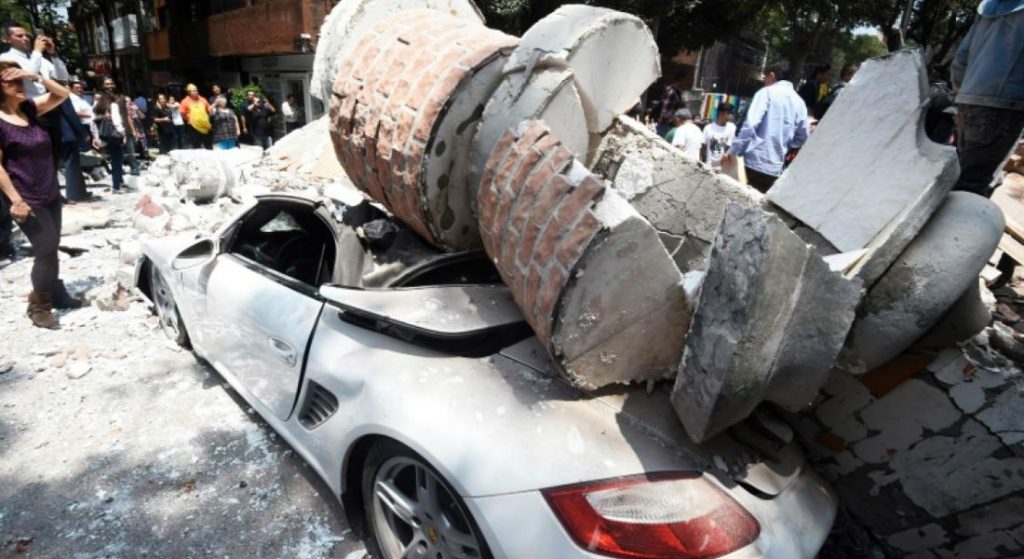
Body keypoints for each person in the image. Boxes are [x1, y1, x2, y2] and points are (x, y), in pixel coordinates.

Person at [0, 60, 84, 328]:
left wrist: (34, 75)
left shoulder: (30, 110)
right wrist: (16, 200)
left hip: (48, 190)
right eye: (11, 81)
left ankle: (57, 293)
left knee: (52, 245)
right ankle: (38, 307)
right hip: (25, 196)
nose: (19, 84)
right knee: (45, 248)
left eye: (19, 79)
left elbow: (62, 94)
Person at [951, 0, 1024, 197]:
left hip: (968, 100)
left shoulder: (987, 8)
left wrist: (965, 93)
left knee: (959, 173)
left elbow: (960, 60)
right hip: (1004, 107)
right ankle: (957, 227)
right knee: (972, 185)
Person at [724, 65, 810, 193]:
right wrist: (785, 143)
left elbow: (750, 125)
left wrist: (732, 152)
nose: (764, 81)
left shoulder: (766, 92)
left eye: (765, 78)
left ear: (772, 75)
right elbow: (803, 137)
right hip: (774, 170)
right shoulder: (800, 103)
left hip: (751, 162)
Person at [91, 92, 130, 192]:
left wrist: (96, 138)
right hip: (114, 136)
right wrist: (123, 133)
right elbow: (117, 122)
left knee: (111, 160)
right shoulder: (113, 105)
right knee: (117, 161)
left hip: (103, 137)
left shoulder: (96, 106)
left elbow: (93, 123)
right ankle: (116, 186)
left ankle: (119, 182)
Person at [702, 102, 737, 171]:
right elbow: (703, 146)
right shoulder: (708, 128)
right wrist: (703, 162)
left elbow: (728, 148)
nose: (731, 116)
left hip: (721, 167)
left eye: (731, 114)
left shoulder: (731, 128)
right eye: (729, 113)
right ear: (721, 113)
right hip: (708, 165)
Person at [180, 83, 212, 149]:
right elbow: (182, 113)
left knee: (208, 144)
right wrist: (189, 119)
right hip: (193, 126)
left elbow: (209, 109)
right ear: (189, 92)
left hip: (205, 125)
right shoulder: (185, 101)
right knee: (196, 144)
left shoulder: (203, 99)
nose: (196, 92)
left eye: (197, 90)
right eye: (194, 91)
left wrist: (206, 118)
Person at [657, 73, 684, 138]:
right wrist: (670, 119)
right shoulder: (671, 91)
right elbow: (665, 108)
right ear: (681, 80)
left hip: (670, 123)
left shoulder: (678, 92)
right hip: (665, 123)